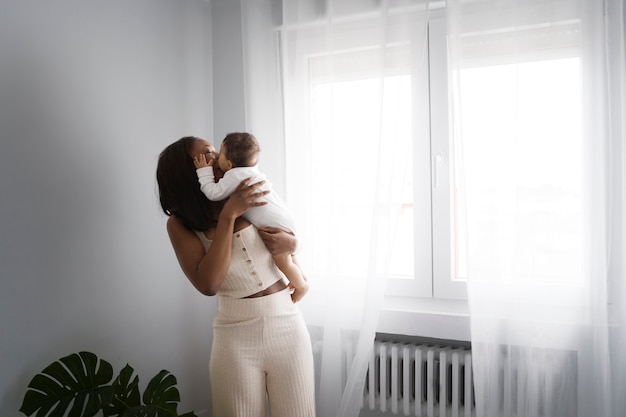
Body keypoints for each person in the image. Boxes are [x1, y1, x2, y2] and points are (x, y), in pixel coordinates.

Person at [156, 136, 316, 417]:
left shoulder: (241, 188)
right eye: (206, 153)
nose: (217, 155)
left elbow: (284, 228)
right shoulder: (180, 224)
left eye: (214, 149)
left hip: (287, 323)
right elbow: (209, 284)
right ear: (186, 170)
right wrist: (229, 215)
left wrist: (295, 244)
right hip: (234, 335)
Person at [193, 132, 309, 302]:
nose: (217, 157)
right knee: (287, 256)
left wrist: (203, 171)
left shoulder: (233, 176)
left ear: (230, 163)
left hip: (274, 221)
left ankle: (301, 286)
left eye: (219, 152)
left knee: (283, 261)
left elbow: (212, 192)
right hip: (282, 216)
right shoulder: (251, 171)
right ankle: (300, 278)